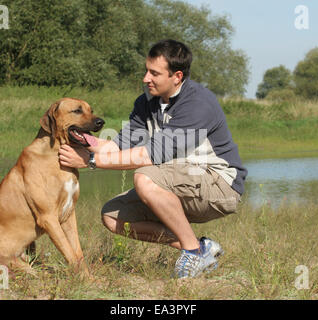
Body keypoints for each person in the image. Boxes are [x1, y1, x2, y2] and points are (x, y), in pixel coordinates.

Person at [59, 39, 247, 278]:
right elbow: (119, 145)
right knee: (113, 216)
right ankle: (200, 248)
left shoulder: (198, 103)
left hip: (220, 184)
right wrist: (82, 143)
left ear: (177, 76)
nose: (145, 78)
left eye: (154, 73)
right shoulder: (146, 102)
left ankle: (192, 253)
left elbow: (151, 154)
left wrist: (89, 161)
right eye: (146, 70)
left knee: (145, 176)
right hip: (180, 181)